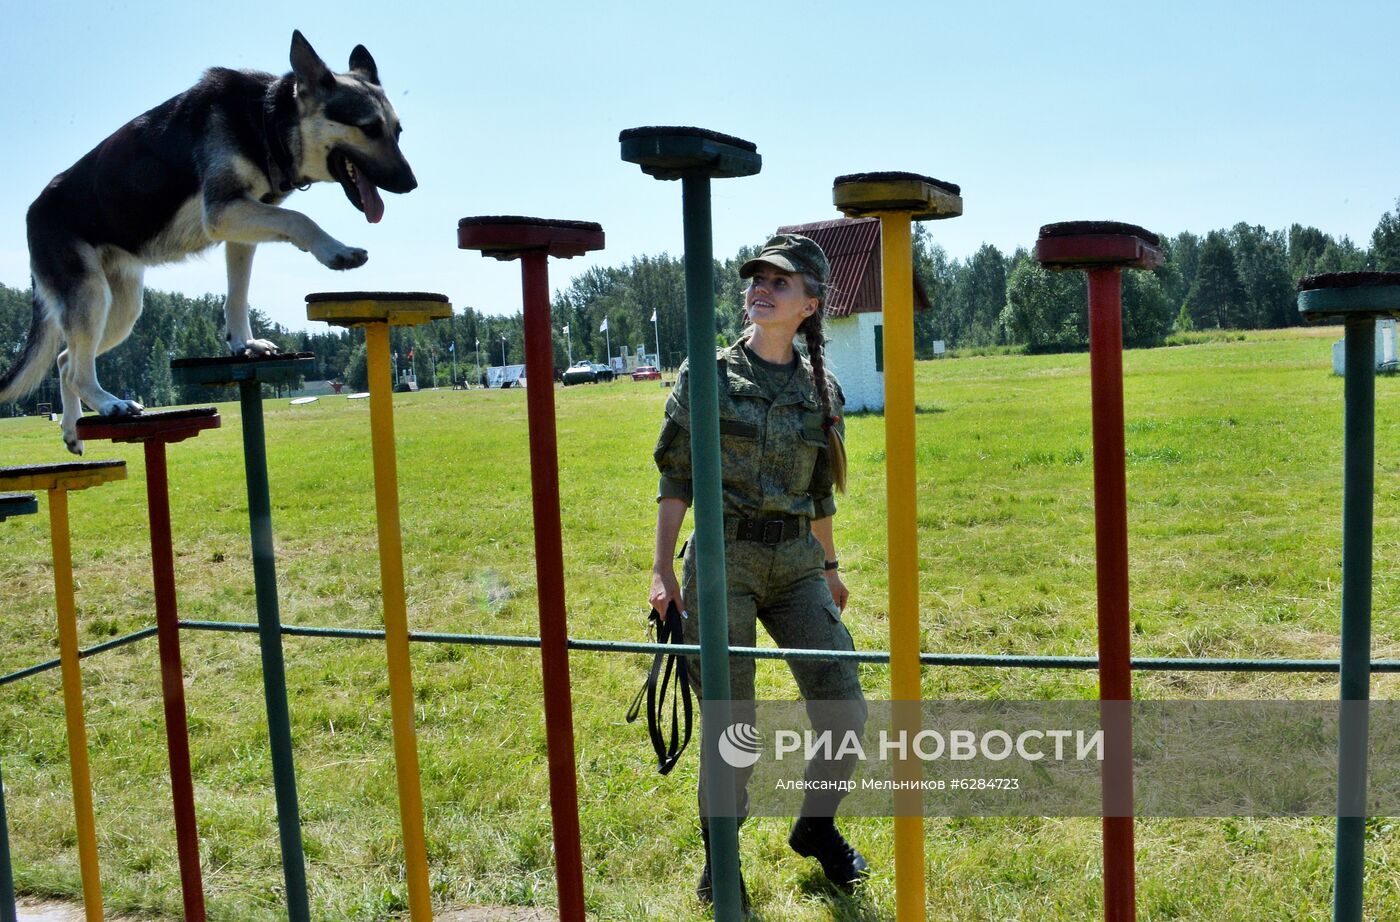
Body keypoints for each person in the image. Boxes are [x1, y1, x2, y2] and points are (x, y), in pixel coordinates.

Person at [648, 234, 869, 906]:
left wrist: (829, 565)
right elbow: (675, 475)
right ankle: (723, 857)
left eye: (779, 281)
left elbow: (820, 489)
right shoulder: (706, 377)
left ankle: (816, 826)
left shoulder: (820, 387)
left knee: (844, 705)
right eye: (756, 278)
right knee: (732, 723)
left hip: (798, 562)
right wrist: (662, 570)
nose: (761, 289)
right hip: (724, 560)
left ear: (808, 303)